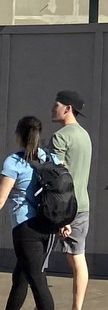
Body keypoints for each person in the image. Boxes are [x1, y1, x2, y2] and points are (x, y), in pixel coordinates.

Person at [1, 116, 56, 310]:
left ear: (18, 135)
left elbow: (1, 198)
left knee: (37, 282)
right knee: (21, 277)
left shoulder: (14, 162)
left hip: (26, 228)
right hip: (49, 226)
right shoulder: (51, 158)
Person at [49, 90, 93, 310]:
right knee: (78, 258)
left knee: (39, 258)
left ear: (67, 108)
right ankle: (77, 307)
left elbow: (57, 177)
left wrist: (62, 217)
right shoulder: (85, 136)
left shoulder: (60, 137)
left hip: (63, 207)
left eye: (56, 105)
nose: (52, 108)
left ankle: (42, 303)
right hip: (82, 204)